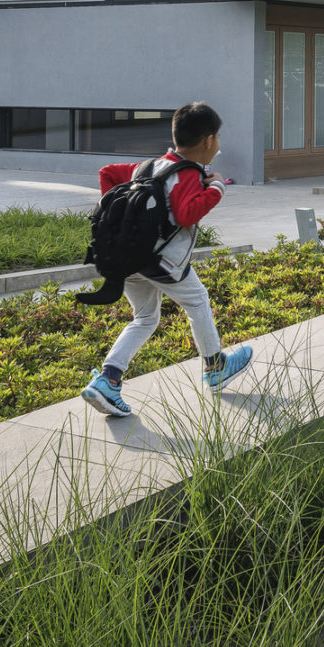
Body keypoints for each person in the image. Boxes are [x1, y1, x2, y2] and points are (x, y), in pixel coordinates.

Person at [81, 102, 255, 418]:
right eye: (217, 139)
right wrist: (216, 188)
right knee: (199, 302)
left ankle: (107, 380)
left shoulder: (148, 166)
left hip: (130, 258)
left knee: (145, 318)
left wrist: (128, 223)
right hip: (161, 263)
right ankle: (215, 366)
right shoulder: (187, 173)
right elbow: (188, 213)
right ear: (208, 141)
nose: (218, 146)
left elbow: (107, 174)